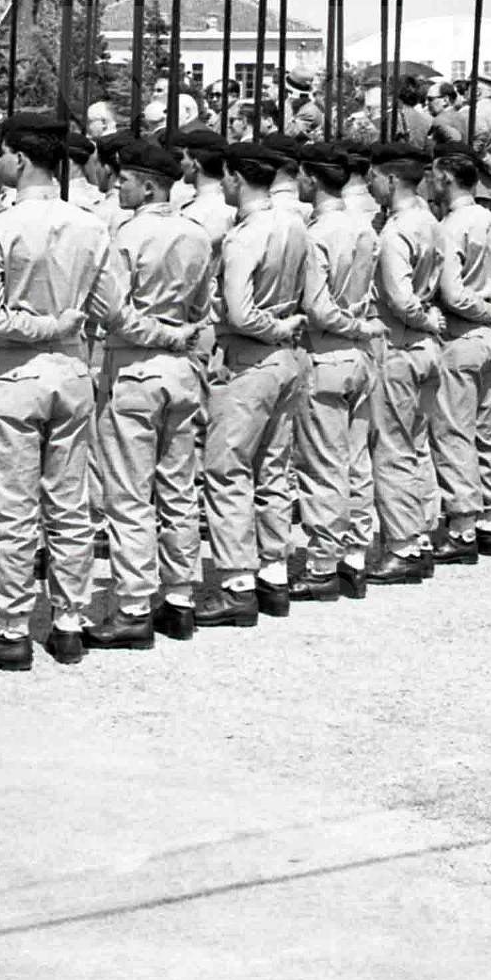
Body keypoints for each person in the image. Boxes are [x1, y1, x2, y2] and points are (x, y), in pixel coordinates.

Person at [0, 114, 122, 670]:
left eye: (1, 152)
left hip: (16, 371)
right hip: (71, 370)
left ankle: (11, 627)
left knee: (12, 507)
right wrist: (68, 319)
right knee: (70, 503)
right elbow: (111, 307)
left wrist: (42, 322)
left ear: (20, 159)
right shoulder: (90, 225)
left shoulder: (2, 226)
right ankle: (69, 621)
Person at [86, 137, 214, 649]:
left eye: (126, 179)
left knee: (129, 493)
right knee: (179, 487)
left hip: (135, 364)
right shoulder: (197, 234)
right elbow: (202, 305)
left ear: (149, 187)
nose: (118, 185)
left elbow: (112, 311)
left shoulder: (126, 234)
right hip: (180, 370)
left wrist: (160, 334)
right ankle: (180, 597)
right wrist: (177, 335)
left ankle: (134, 605)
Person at [196, 143, 308, 627]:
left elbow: (240, 312)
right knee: (273, 470)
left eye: (225, 177)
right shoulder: (293, 223)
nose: (222, 185)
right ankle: (273, 573)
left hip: (249, 356)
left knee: (228, 470)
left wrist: (269, 325)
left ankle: (238, 583)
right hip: (284, 359)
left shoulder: (245, 235)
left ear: (238, 179)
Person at [287, 143, 380, 602]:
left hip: (327, 353)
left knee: (323, 464)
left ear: (311, 178)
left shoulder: (317, 233)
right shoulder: (363, 226)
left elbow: (319, 307)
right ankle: (354, 556)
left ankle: (322, 563)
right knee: (356, 461)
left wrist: (350, 325)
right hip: (360, 357)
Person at [367, 147, 445, 581]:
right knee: (417, 446)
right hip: (425, 346)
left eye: (375, 177)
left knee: (393, 448)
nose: (371, 185)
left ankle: (401, 545)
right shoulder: (430, 221)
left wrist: (420, 317)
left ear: (392, 180)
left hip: (400, 342)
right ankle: (421, 534)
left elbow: (399, 297)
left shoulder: (396, 230)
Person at [428, 148, 491, 559]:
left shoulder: (449, 226)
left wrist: (485, 311)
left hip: (462, 335)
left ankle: (462, 528)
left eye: (434, 176)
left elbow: (453, 293)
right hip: (490, 337)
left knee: (454, 432)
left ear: (446, 179)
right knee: (486, 430)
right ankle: (490, 519)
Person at [177, 124, 236, 251]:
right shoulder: (232, 203)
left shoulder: (195, 213)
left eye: (183, 157)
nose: (181, 163)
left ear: (195, 165)